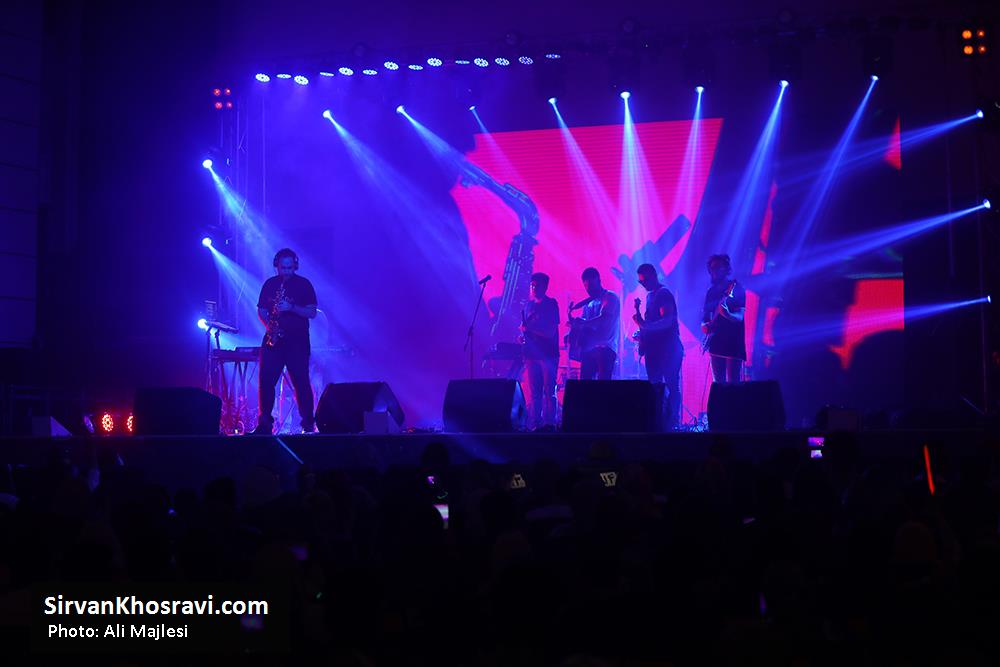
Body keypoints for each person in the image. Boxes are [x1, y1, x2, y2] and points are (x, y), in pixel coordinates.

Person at [253, 248, 318, 434]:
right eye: (283, 268)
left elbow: (311, 312)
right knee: (266, 382)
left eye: (290, 268)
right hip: (274, 340)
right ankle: (265, 424)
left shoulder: (304, 284)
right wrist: (270, 327)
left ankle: (308, 424)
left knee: (301, 382)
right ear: (277, 266)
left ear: (295, 266)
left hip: (297, 342)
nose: (286, 272)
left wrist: (291, 307)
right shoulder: (270, 284)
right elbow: (262, 310)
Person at [633, 263, 684, 430]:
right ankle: (660, 421)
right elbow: (652, 323)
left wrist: (645, 326)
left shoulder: (663, 293)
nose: (642, 284)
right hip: (655, 349)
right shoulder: (650, 296)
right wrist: (642, 332)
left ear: (654, 276)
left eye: (644, 280)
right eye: (640, 282)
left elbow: (667, 320)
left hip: (668, 349)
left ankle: (671, 423)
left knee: (671, 385)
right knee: (656, 386)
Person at [520, 273, 560, 429]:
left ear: (545, 287)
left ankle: (550, 424)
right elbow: (525, 329)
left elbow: (550, 332)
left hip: (548, 354)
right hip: (531, 355)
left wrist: (529, 330)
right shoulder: (528, 306)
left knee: (549, 390)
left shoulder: (551, 304)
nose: (534, 288)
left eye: (537, 285)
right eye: (532, 285)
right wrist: (522, 336)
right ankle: (536, 423)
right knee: (535, 392)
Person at [701, 254, 746, 384]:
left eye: (717, 267)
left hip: (733, 343)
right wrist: (704, 326)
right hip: (716, 343)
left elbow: (740, 317)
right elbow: (705, 317)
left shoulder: (736, 288)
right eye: (711, 268)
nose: (714, 271)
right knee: (718, 384)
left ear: (726, 269)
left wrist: (727, 314)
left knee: (733, 384)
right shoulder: (711, 292)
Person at [570, 267, 621, 380]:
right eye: (586, 286)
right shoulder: (588, 303)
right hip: (590, 349)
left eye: (591, 285)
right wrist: (574, 330)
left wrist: (583, 324)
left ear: (599, 281)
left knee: (602, 385)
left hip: (606, 348)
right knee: (585, 384)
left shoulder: (610, 297)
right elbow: (585, 325)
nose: (589, 289)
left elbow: (605, 318)